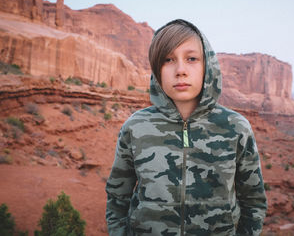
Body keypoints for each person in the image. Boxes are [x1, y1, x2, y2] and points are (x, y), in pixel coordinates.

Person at [105, 19, 267, 236]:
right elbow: (118, 198)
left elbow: (253, 201)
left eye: (191, 59)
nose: (180, 70)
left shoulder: (236, 128)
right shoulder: (136, 127)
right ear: (156, 69)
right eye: (168, 60)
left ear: (207, 65)